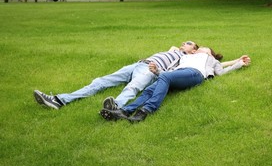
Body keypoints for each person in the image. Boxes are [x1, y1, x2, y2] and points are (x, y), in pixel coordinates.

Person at [100, 47, 251, 123]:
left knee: (163, 78)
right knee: (148, 91)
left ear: (210, 53)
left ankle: (146, 110)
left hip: (194, 74)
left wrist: (239, 63)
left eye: (203, 48)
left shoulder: (211, 60)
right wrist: (157, 70)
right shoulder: (184, 58)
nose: (198, 50)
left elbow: (221, 72)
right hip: (176, 75)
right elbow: (169, 72)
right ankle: (124, 112)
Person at [33, 41, 199, 110]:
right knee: (101, 81)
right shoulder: (174, 50)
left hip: (151, 70)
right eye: (184, 41)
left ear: (195, 50)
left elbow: (174, 75)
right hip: (138, 64)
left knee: (133, 87)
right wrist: (179, 48)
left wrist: (157, 72)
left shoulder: (189, 59)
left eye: (189, 43)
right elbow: (172, 47)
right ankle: (59, 100)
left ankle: (116, 106)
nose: (184, 43)